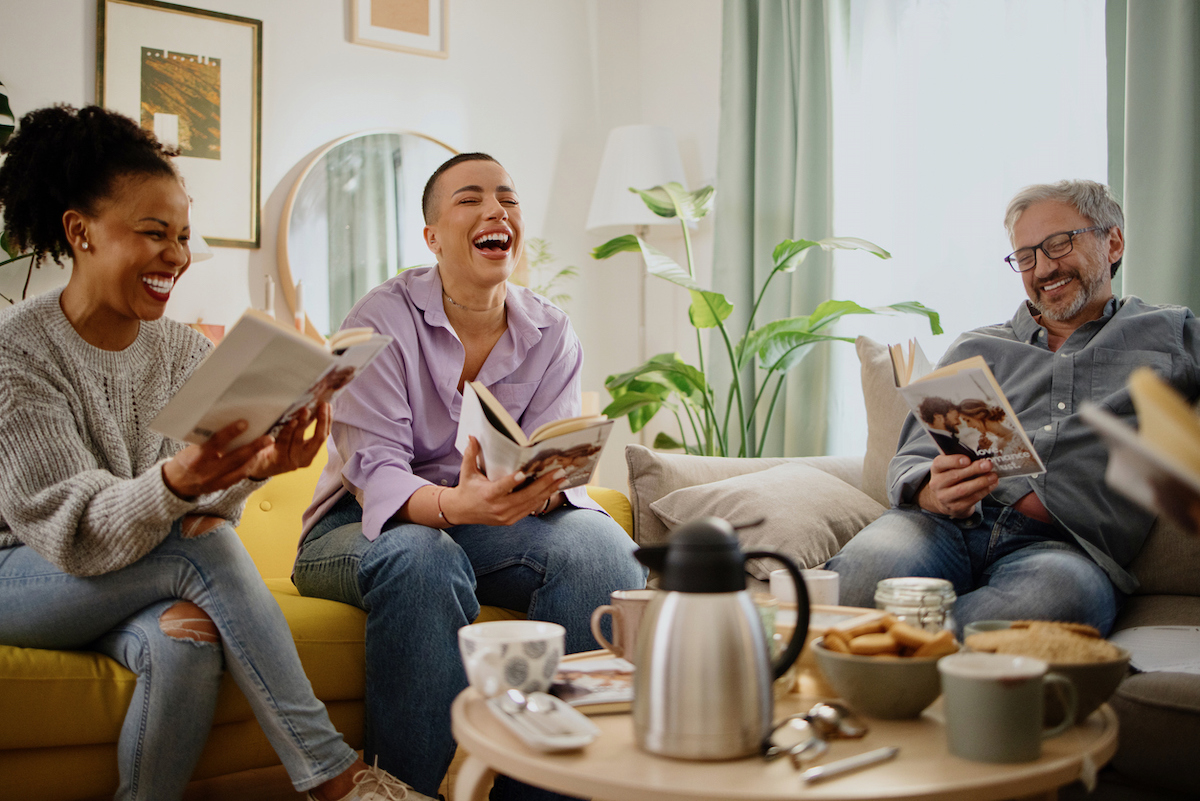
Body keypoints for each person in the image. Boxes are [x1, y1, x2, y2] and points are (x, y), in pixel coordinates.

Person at [0, 105, 423, 801]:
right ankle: (339, 779)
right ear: (81, 232)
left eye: (185, 237)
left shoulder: (184, 350)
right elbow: (68, 528)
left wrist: (253, 468)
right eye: (154, 233)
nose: (178, 256)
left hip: (127, 569)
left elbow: (196, 508)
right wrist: (174, 485)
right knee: (206, 553)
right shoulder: (19, 349)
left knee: (187, 636)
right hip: (26, 570)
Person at [293, 152, 646, 799]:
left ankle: (538, 787)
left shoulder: (550, 330)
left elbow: (544, 457)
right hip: (359, 528)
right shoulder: (380, 318)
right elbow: (377, 476)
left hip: (486, 522)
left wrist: (537, 485)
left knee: (602, 549)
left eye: (507, 197)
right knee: (424, 556)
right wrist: (458, 504)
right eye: (470, 198)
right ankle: (403, 791)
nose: (495, 210)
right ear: (431, 237)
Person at [827, 179, 1200, 637]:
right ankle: (905, 649)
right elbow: (912, 457)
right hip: (938, 527)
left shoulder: (1170, 334)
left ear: (1114, 241)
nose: (1042, 268)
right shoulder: (978, 346)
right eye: (1026, 256)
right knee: (857, 581)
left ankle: (900, 648)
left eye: (1058, 244)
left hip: (1063, 549)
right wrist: (932, 492)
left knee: (1055, 605)